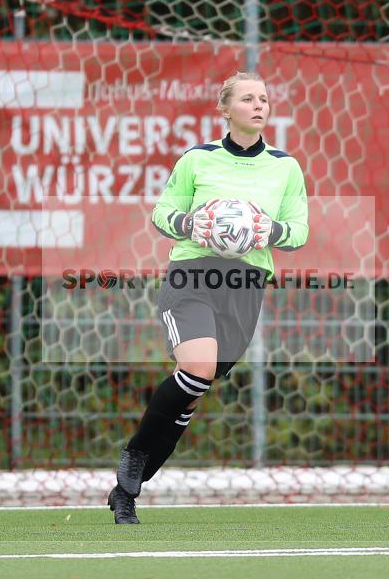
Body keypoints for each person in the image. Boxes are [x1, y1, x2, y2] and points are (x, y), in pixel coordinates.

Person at [107, 71, 309, 523]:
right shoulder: (197, 160)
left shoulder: (285, 167)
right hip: (193, 274)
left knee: (193, 393)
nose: (259, 105)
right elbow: (163, 212)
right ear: (225, 109)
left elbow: (298, 231)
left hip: (246, 284)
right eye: (247, 99)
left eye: (264, 98)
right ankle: (133, 464)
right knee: (196, 370)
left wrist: (269, 230)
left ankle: (125, 493)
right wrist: (188, 224)